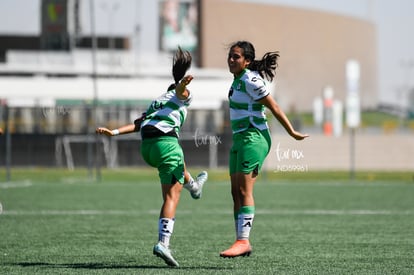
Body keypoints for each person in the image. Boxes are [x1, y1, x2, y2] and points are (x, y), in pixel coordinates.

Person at [96, 47, 208, 267]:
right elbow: (180, 92)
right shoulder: (181, 96)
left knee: (178, 164)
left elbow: (138, 124)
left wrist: (114, 132)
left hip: (147, 148)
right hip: (165, 144)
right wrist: (183, 85)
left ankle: (195, 186)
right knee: (171, 197)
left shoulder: (156, 102)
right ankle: (163, 243)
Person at [219, 41, 309, 258]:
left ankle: (243, 241)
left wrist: (292, 132)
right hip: (240, 138)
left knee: (244, 191)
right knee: (235, 192)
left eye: (236, 57)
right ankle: (240, 239)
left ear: (247, 61)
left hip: (254, 137)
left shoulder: (250, 80)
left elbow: (274, 106)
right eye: (230, 56)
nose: (231, 60)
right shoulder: (237, 81)